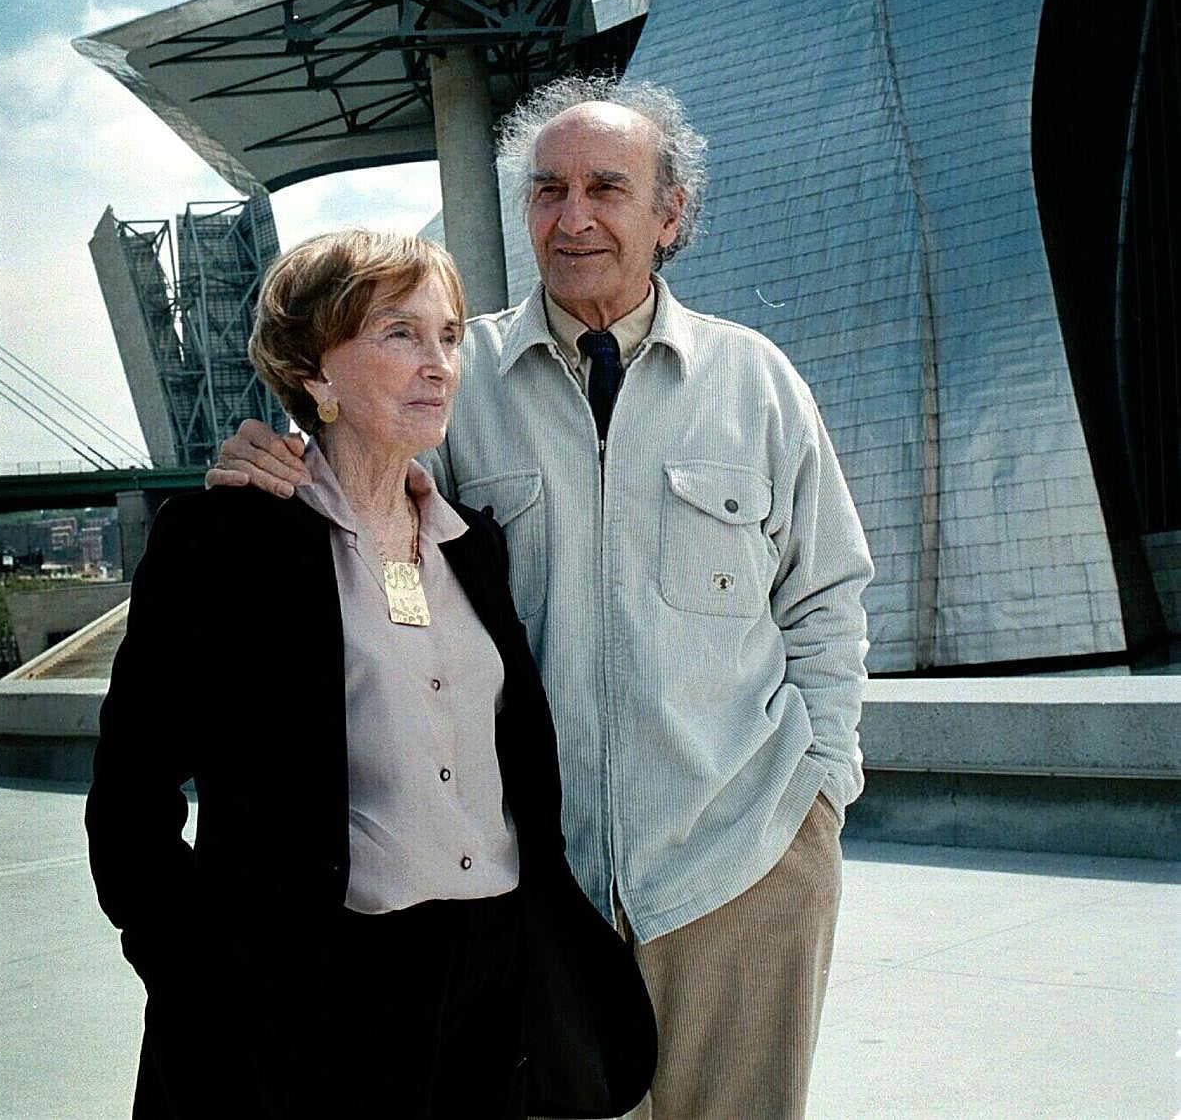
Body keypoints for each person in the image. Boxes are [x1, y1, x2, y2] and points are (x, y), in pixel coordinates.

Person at [211, 77, 874, 1120]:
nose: (572, 218)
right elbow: (354, 498)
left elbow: (827, 597)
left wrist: (819, 788)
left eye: (606, 187)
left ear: (670, 212)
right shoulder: (448, 373)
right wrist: (272, 455)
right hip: (528, 891)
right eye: (546, 189)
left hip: (740, 867)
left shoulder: (756, 381)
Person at [86, 228, 656, 1120]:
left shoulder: (474, 548)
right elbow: (130, 796)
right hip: (314, 990)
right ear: (315, 374)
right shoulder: (226, 543)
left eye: (450, 336)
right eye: (399, 334)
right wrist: (196, 967)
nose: (438, 365)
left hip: (492, 977)